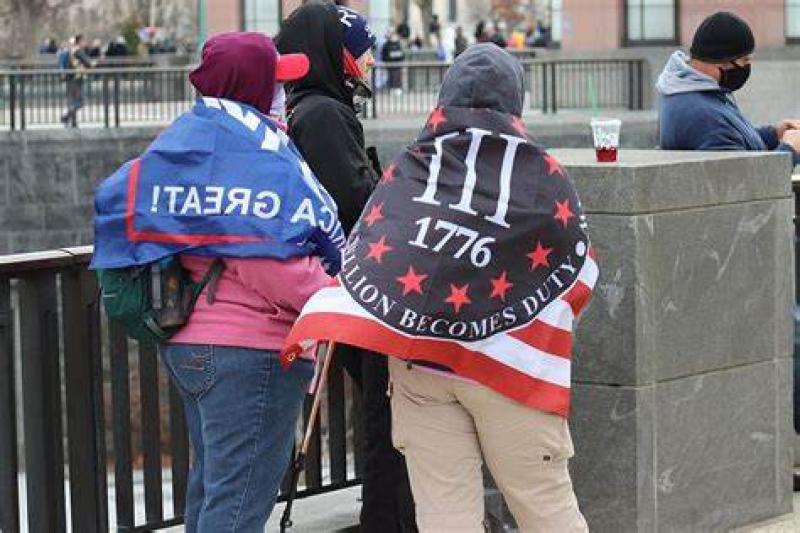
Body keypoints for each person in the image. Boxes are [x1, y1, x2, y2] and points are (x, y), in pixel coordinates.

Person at [282, 42, 596, 533]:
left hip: (420, 364)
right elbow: (577, 269)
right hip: (507, 370)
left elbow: (370, 247)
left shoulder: (411, 165)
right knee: (546, 509)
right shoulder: (540, 176)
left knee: (445, 517)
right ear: (516, 99)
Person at [93, 32, 345, 532]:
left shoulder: (191, 141)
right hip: (251, 352)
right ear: (249, 84)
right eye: (274, 80)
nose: (282, 91)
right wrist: (337, 296)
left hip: (194, 343)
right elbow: (267, 260)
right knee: (237, 506)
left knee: (215, 490)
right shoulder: (248, 156)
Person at [277, 4, 418, 532]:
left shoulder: (309, 107)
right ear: (334, 55)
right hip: (359, 281)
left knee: (386, 408)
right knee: (386, 411)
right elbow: (354, 197)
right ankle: (388, 517)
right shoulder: (323, 114)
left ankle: (389, 513)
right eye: (357, 52)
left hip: (343, 280)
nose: (365, 62)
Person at [657, 11, 800, 165]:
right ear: (720, 61)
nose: (747, 67)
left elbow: (733, 143)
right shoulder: (704, 115)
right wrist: (791, 150)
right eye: (744, 60)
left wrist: (774, 134)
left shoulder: (692, 91)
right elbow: (742, 181)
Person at [61, 34, 94, 128]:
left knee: (73, 101)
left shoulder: (70, 51)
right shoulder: (78, 51)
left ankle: (73, 122)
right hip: (77, 78)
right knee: (81, 101)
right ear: (80, 42)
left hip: (70, 78)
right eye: (84, 41)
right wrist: (93, 64)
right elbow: (88, 63)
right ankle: (66, 116)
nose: (85, 43)